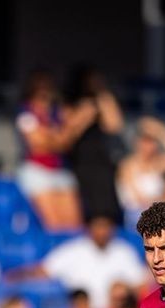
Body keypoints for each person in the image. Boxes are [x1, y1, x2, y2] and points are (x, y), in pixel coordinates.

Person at [19, 214, 145, 308]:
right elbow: (45, 270)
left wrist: (124, 290)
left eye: (106, 226)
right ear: (89, 228)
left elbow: (141, 283)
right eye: (98, 226)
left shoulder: (123, 250)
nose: (102, 231)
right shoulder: (73, 249)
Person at [15, 70, 91, 231]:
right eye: (41, 94)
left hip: (60, 171)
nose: (45, 98)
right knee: (54, 226)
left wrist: (56, 137)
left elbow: (64, 143)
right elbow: (39, 144)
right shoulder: (26, 113)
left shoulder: (57, 112)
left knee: (75, 227)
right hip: (38, 171)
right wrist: (64, 133)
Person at [63, 66, 125, 224]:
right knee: (89, 206)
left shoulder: (102, 99)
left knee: (107, 203)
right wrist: (83, 116)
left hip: (102, 161)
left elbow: (115, 125)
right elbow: (67, 133)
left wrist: (102, 97)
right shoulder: (70, 102)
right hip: (81, 161)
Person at [116, 117, 165, 225]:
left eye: (152, 141)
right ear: (137, 142)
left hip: (159, 210)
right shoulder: (127, 166)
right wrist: (163, 201)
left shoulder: (158, 163)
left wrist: (161, 131)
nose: (149, 146)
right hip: (137, 214)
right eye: (145, 141)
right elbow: (138, 199)